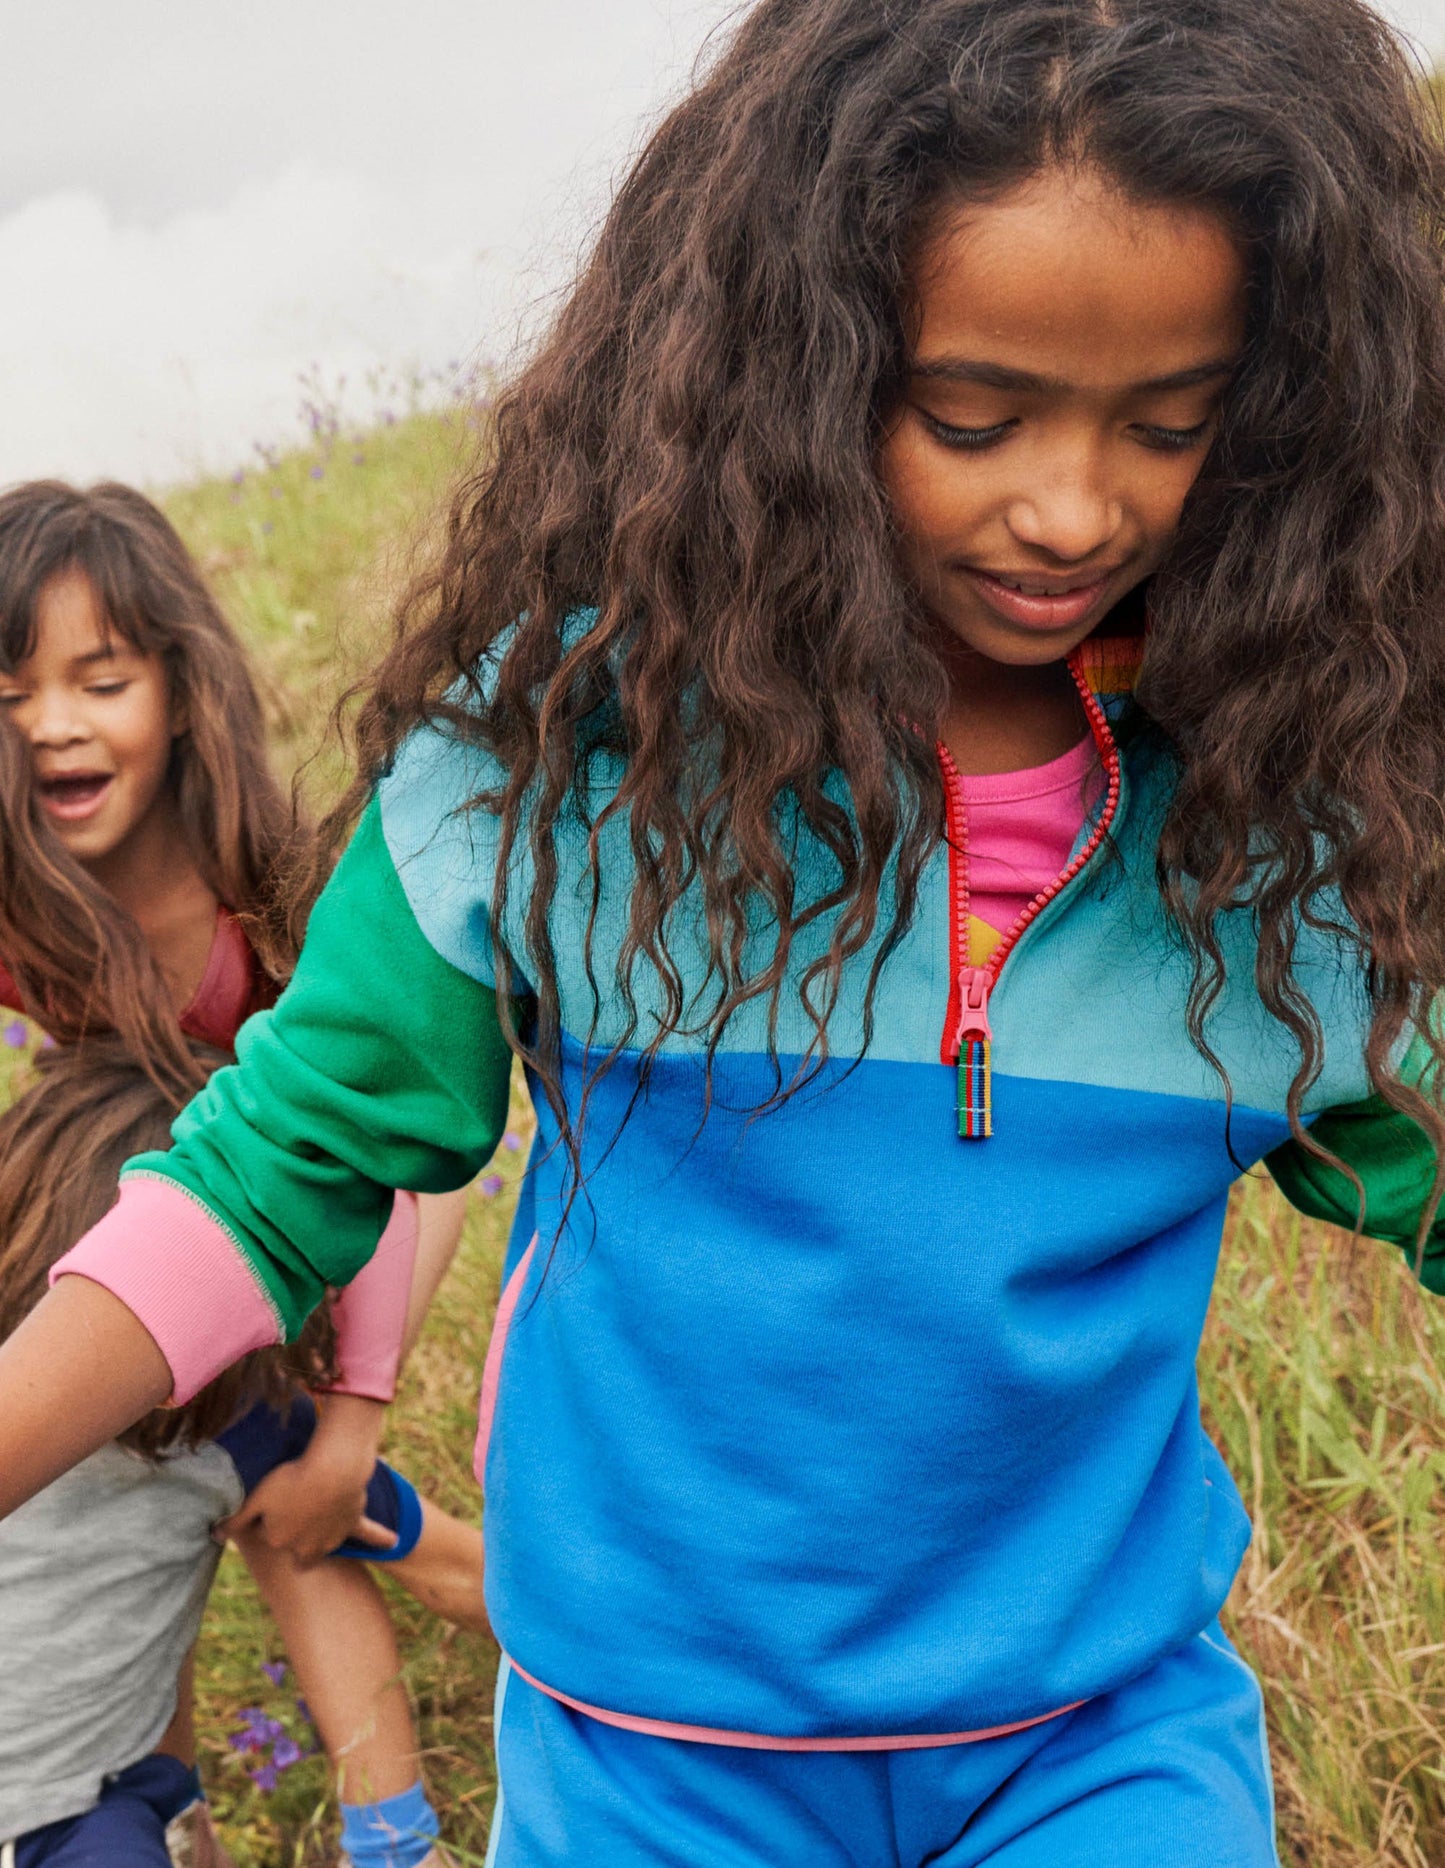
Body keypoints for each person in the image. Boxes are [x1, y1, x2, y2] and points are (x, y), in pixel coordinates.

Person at [4, 1, 1445, 1862]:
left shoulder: (1286, 835)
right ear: (796, 369)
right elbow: (276, 1169)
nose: (1073, 508)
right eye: (973, 416)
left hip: (1097, 1748)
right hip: (649, 1765)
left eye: (1170, 424)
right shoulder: (557, 765)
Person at [0, 482, 485, 1868]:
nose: (52, 724)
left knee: (295, 1502)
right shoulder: (25, 887)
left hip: (362, 1195)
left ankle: (396, 1824)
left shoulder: (265, 893)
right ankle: (168, 1807)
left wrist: (354, 1423)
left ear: (179, 690)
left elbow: (364, 1150)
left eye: (101, 681)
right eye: (11, 694)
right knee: (150, 1481)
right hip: (166, 1192)